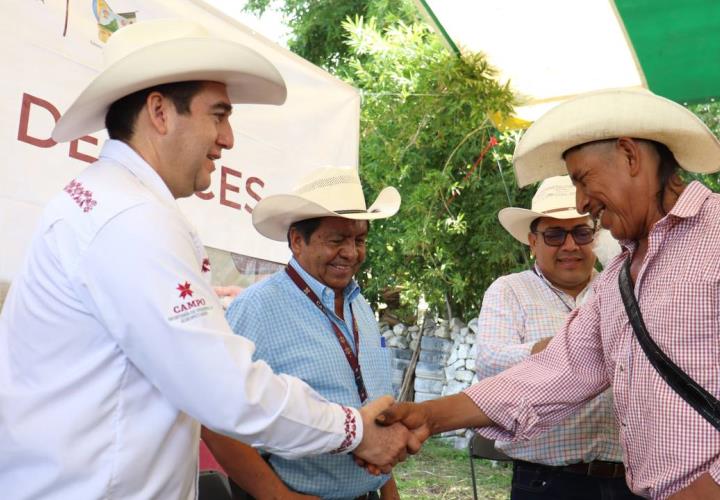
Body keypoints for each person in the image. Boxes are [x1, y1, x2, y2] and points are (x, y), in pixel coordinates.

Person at [0, 19, 416, 500]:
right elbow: (225, 388)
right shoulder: (132, 219)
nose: (228, 138)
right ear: (159, 111)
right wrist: (354, 430)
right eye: (218, 115)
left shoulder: (109, 203)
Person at [376, 89, 720, 499]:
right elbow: (557, 370)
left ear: (630, 156)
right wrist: (429, 415)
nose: (581, 201)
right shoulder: (617, 279)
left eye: (582, 179)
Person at [202, 166, 402, 500]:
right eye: (337, 240)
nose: (352, 253)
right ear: (297, 240)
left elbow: (371, 408)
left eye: (360, 240)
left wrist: (389, 491)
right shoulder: (258, 308)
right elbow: (214, 417)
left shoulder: (359, 306)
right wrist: (279, 497)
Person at [475, 174, 634, 499]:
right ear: (532, 241)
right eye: (555, 235)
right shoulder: (510, 291)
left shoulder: (621, 289)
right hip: (548, 483)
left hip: (628, 480)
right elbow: (491, 366)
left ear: (595, 236)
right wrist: (561, 350)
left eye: (581, 232)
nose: (570, 245)